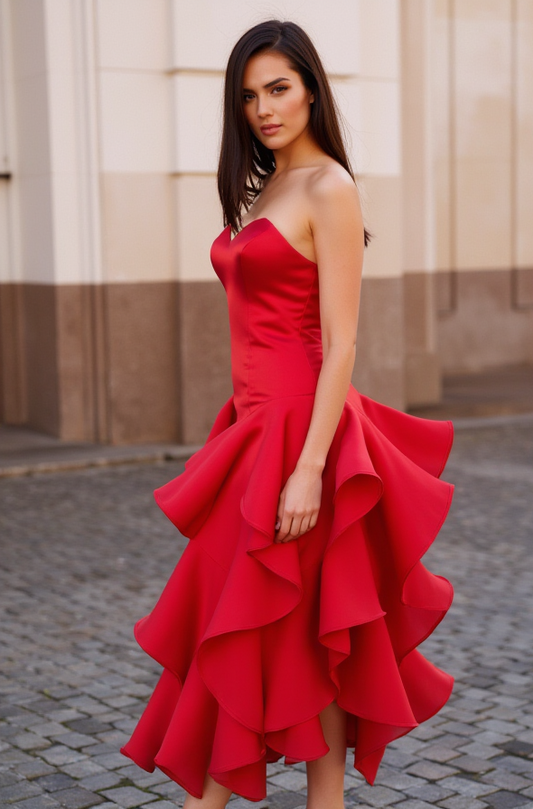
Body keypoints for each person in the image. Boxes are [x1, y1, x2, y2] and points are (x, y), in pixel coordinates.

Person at [120, 19, 454, 809]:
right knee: (282, 634)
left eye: (278, 88)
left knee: (296, 636)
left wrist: (308, 469)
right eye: (248, 95)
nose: (263, 108)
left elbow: (341, 343)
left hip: (304, 440)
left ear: (310, 88)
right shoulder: (263, 187)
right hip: (250, 432)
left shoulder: (329, 187)